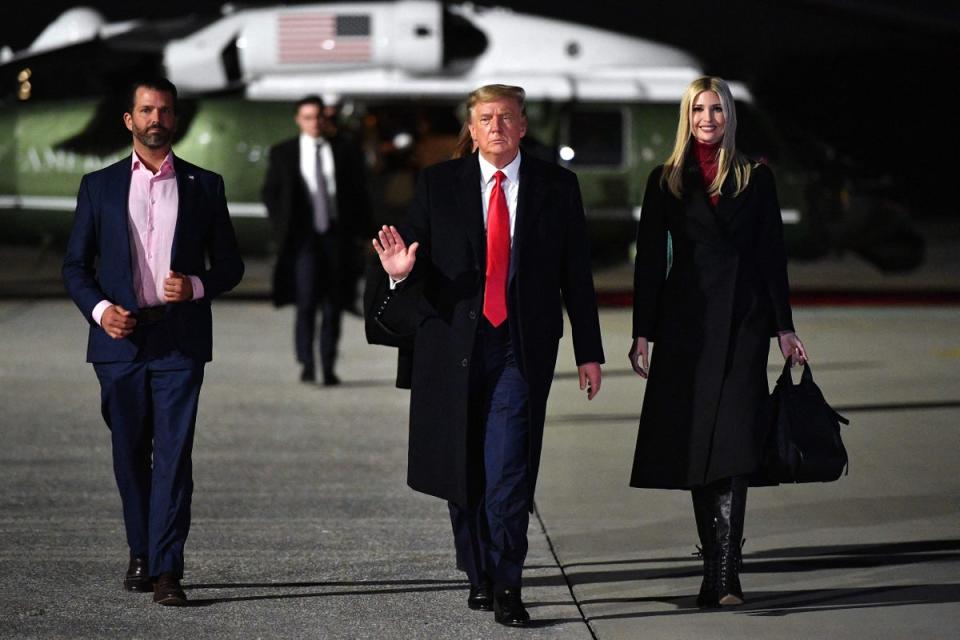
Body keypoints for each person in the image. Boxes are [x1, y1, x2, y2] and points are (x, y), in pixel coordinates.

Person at [369, 84, 604, 627]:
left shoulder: (557, 187)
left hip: (519, 349)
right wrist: (400, 274)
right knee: (463, 466)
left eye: (505, 117)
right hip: (454, 348)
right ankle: (477, 571)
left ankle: (507, 585)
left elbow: (577, 275)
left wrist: (589, 352)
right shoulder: (438, 185)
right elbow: (412, 261)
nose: (495, 126)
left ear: (522, 126)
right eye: (484, 118)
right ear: (470, 129)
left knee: (508, 471)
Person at [62, 78, 244, 606]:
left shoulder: (204, 185)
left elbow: (230, 265)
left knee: (173, 456)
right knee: (128, 453)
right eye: (146, 110)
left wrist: (197, 286)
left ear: (175, 118)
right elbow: (75, 267)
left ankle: (166, 569)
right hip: (118, 342)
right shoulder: (98, 186)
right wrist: (100, 313)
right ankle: (139, 550)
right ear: (129, 120)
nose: (155, 118)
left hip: (179, 341)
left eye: (164, 110)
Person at [628, 76, 807, 609]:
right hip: (686, 327)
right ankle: (715, 564)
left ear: (730, 117)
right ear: (687, 117)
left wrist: (784, 327)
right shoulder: (666, 181)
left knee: (730, 445)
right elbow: (647, 264)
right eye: (699, 109)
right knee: (693, 448)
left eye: (718, 110)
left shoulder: (756, 178)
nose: (708, 118)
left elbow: (773, 257)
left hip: (743, 324)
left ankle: (726, 574)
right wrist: (644, 331)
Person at [263, 95, 372, 385]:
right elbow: (272, 193)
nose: (315, 123)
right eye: (308, 117)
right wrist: (281, 228)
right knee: (307, 300)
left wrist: (363, 234)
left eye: (319, 117)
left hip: (337, 236)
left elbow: (360, 195)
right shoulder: (283, 152)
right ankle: (307, 362)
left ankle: (328, 363)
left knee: (334, 303)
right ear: (299, 119)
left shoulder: (346, 151)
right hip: (303, 238)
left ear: (327, 119)